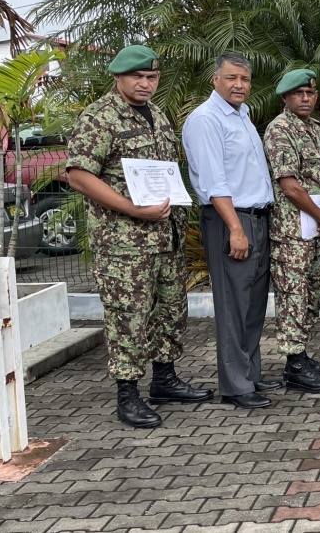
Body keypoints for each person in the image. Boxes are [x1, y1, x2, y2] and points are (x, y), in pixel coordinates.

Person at [65, 44, 212, 428]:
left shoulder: (158, 116)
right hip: (125, 245)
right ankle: (127, 395)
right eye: (138, 77)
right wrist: (132, 209)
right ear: (119, 77)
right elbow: (79, 175)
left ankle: (164, 380)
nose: (146, 83)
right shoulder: (100, 118)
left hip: (165, 238)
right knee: (128, 318)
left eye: (152, 77)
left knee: (169, 312)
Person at [183, 52, 277, 409]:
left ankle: (249, 374)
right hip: (230, 220)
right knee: (233, 304)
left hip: (256, 216)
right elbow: (213, 182)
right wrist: (235, 229)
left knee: (252, 303)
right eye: (232, 78)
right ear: (215, 80)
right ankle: (236, 386)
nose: (239, 85)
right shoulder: (206, 120)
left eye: (245, 79)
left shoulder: (243, 115)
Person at [263, 69, 320, 394]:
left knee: (311, 293)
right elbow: (290, 186)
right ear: (285, 98)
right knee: (293, 295)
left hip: (316, 228)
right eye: (298, 94)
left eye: (309, 93)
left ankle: (302, 355)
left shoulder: (316, 129)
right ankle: (294, 365)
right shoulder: (280, 130)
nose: (305, 99)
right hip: (292, 231)